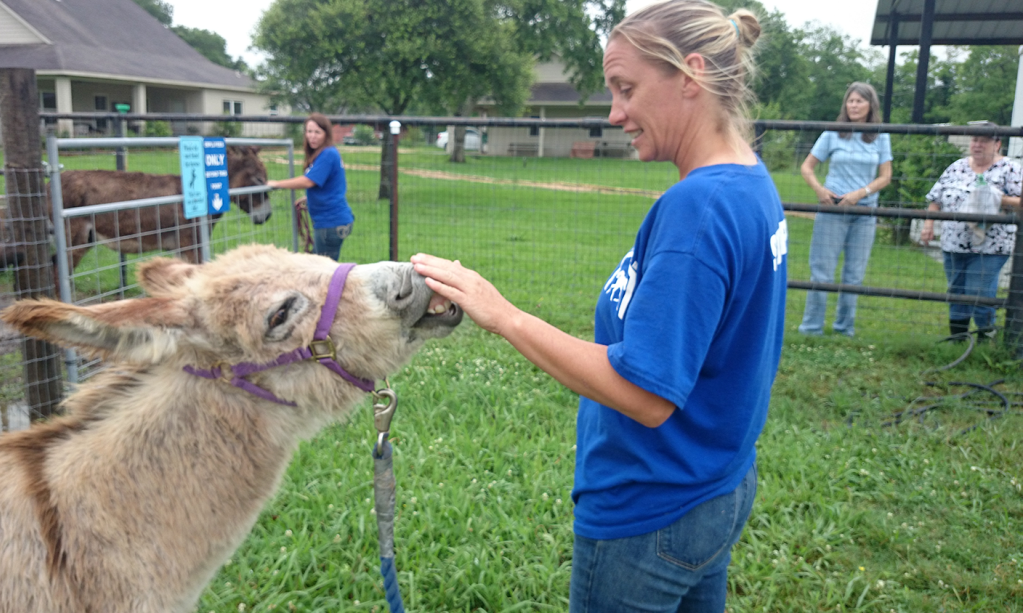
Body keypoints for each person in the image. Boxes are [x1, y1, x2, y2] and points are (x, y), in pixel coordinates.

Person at [412, 2, 786, 611]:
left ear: (689, 77)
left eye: (627, 88)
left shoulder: (700, 209)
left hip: (651, 509)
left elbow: (647, 395)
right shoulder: (750, 180)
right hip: (716, 484)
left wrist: (502, 314)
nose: (615, 114)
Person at [797, 82, 893, 337]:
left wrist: (861, 193)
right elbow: (807, 167)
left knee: (854, 275)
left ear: (870, 105)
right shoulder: (832, 133)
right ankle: (811, 328)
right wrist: (820, 190)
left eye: (859, 101)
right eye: (850, 101)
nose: (854, 106)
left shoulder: (881, 136)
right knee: (822, 272)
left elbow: (885, 176)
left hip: (864, 213)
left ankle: (844, 328)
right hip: (833, 210)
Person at [920, 123, 1022, 338]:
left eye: (983, 141)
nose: (977, 145)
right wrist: (928, 225)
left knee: (980, 292)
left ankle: (985, 338)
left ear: (997, 144)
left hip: (992, 245)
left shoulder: (1011, 169)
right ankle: (958, 338)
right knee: (956, 290)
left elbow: (1019, 201)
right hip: (953, 242)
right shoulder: (957, 166)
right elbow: (935, 198)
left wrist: (996, 198)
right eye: (974, 140)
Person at [267, 113, 354, 260]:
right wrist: (308, 198)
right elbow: (328, 185)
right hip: (333, 221)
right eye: (309, 131)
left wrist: (277, 184)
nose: (312, 136)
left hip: (330, 223)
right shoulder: (324, 153)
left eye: (317, 132)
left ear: (326, 134)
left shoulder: (328, 154)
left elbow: (309, 181)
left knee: (324, 273)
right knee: (321, 266)